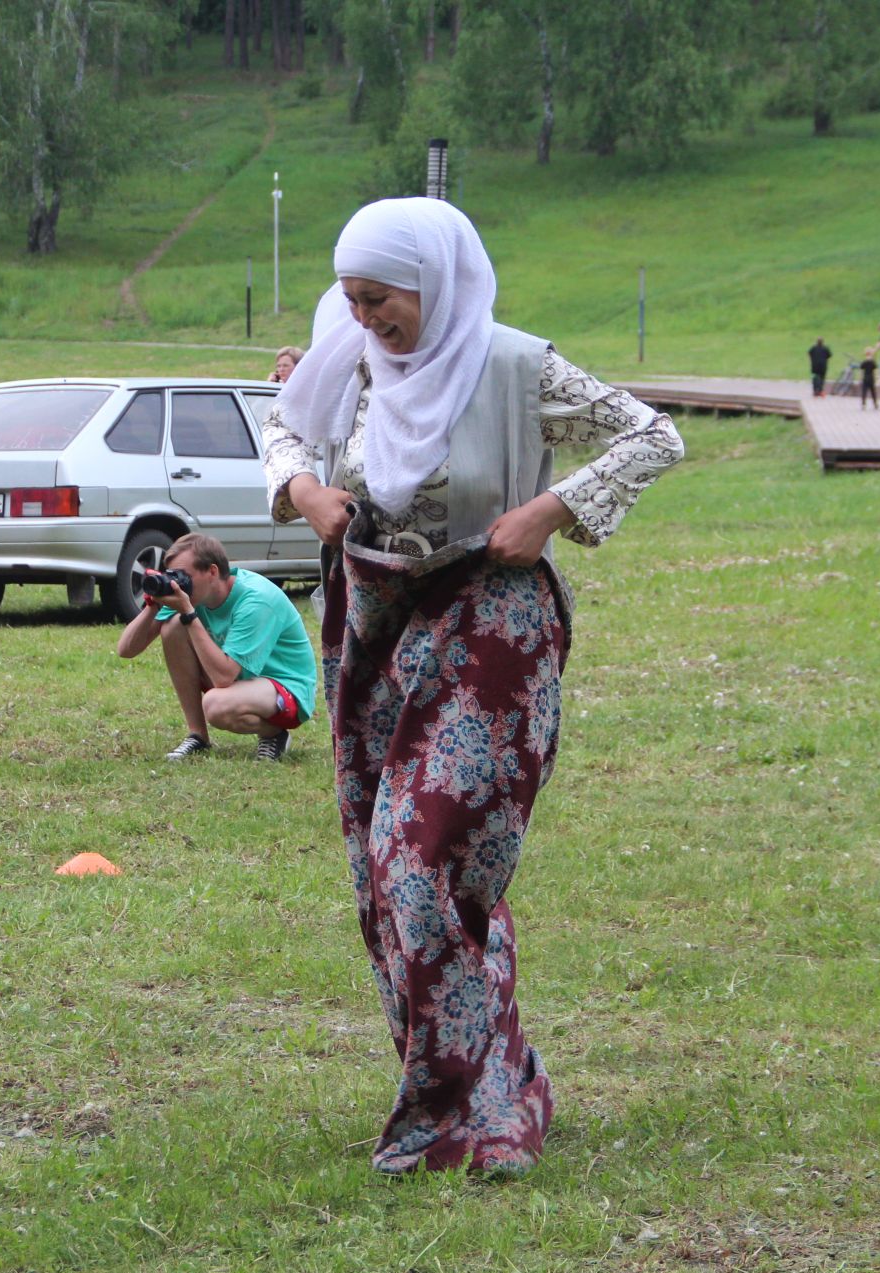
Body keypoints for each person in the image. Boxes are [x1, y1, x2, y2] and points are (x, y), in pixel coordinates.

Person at [261, 197, 683, 1174]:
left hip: (491, 626)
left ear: (435, 283)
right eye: (352, 299)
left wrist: (552, 506)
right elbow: (286, 428)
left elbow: (652, 435)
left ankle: (452, 1114)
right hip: (374, 626)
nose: (364, 319)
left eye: (381, 300)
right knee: (385, 876)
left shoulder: (513, 363)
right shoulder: (351, 353)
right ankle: (499, 1087)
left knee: (428, 864)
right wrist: (301, 489)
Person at [115, 532, 316, 762]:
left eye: (183, 576)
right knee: (172, 628)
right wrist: (153, 604)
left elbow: (223, 679)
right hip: (241, 680)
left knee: (215, 705)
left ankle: (274, 734)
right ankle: (197, 736)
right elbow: (126, 649)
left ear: (212, 571)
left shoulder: (256, 600)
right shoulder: (195, 595)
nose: (178, 583)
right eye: (172, 575)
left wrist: (189, 614)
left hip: (285, 687)